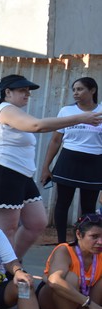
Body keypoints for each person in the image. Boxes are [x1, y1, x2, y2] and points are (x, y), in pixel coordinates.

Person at [0, 74, 102, 259]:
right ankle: (2, 274)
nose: (27, 94)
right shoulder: (6, 110)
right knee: (7, 229)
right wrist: (80, 118)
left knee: (37, 223)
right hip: (2, 172)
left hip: (21, 174)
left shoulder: (15, 110)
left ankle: (12, 264)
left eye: (28, 91)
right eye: (22, 91)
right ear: (7, 92)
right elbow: (37, 126)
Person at [40, 77, 102, 244]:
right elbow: (55, 141)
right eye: (74, 89)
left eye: (80, 89)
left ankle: (83, 242)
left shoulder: (101, 111)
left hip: (94, 163)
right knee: (62, 203)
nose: (75, 93)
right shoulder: (66, 112)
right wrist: (46, 167)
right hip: (68, 161)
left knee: (88, 207)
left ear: (93, 91)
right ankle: (61, 243)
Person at [36, 213, 102, 309]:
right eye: (94, 237)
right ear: (79, 234)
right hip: (55, 303)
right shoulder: (64, 250)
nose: (100, 242)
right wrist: (90, 304)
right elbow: (54, 281)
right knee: (69, 278)